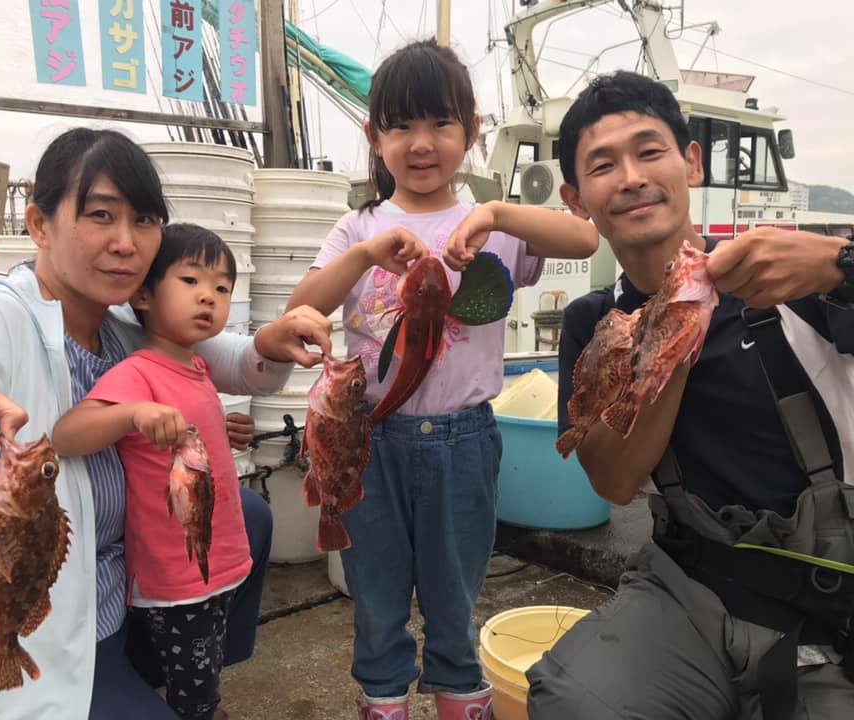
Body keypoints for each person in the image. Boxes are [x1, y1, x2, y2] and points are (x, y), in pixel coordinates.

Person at [0, 128, 333, 720]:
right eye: (101, 215)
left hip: (122, 592)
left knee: (249, 514)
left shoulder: (120, 323)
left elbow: (219, 355)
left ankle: (183, 677)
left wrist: (272, 344)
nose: (127, 244)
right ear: (39, 224)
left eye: (146, 221)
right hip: (43, 623)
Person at [526, 70, 854, 720]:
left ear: (691, 163)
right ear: (576, 197)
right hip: (689, 585)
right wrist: (670, 333)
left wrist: (839, 266)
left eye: (649, 151)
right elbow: (616, 483)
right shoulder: (595, 324)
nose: (630, 176)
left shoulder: (791, 277)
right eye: (603, 165)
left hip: (828, 599)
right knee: (576, 699)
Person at [286, 39, 598, 720]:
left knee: (454, 598)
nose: (421, 143)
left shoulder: (493, 227)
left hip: (465, 442)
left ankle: (461, 698)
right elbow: (300, 307)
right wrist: (367, 253)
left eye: (439, 124)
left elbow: (584, 239)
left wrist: (494, 213)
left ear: (472, 132)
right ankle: (385, 701)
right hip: (368, 439)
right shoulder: (357, 225)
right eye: (400, 126)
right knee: (376, 598)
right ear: (373, 138)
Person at [52, 223, 252, 720]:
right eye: (190, 282)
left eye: (222, 288)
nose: (208, 297)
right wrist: (131, 414)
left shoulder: (196, 367)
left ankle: (203, 703)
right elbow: (67, 434)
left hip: (216, 561)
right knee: (191, 678)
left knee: (204, 661)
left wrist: (220, 430)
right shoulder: (136, 373)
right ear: (142, 293)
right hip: (175, 578)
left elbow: (178, 441)